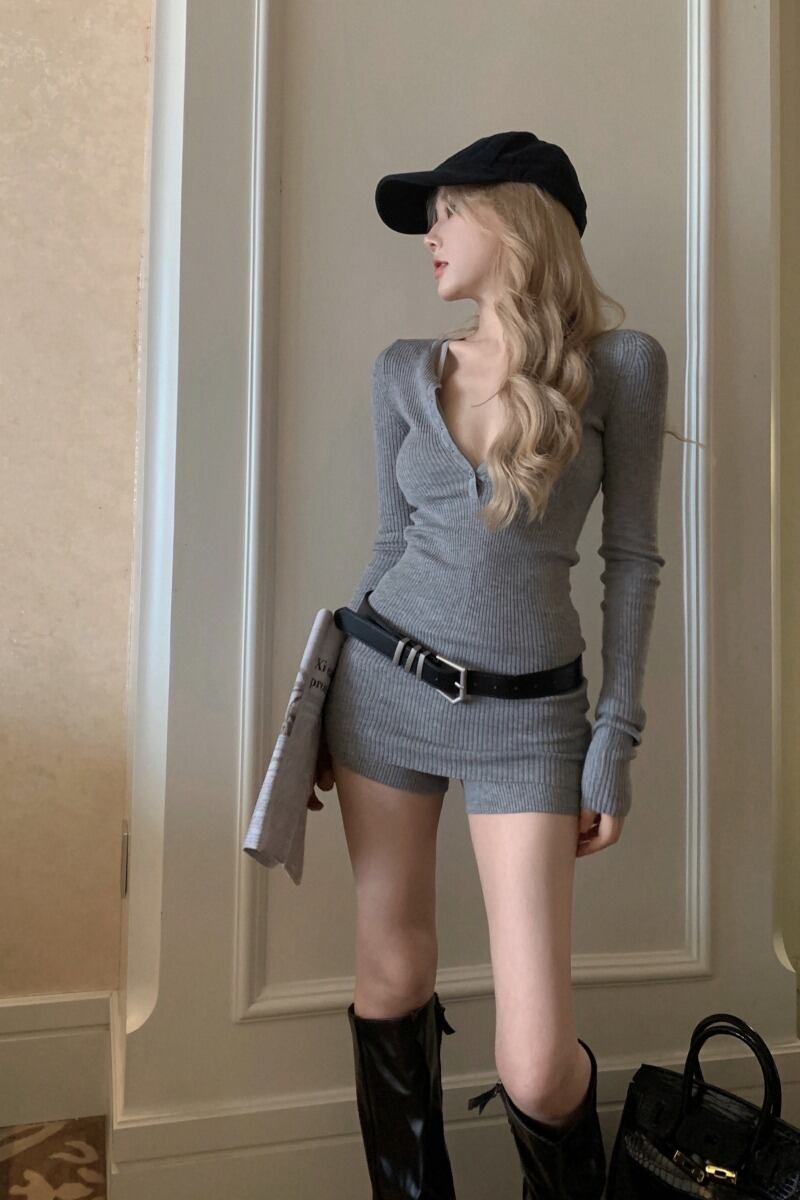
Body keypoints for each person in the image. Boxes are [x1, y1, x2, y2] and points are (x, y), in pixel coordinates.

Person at [311, 131, 668, 1199]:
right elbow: (388, 547)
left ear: (517, 218)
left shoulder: (621, 367)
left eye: (447, 211)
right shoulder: (400, 372)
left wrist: (614, 741)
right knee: (392, 974)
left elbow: (632, 560)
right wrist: (319, 703)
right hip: (381, 693)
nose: (430, 235)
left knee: (535, 1061)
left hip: (531, 721)